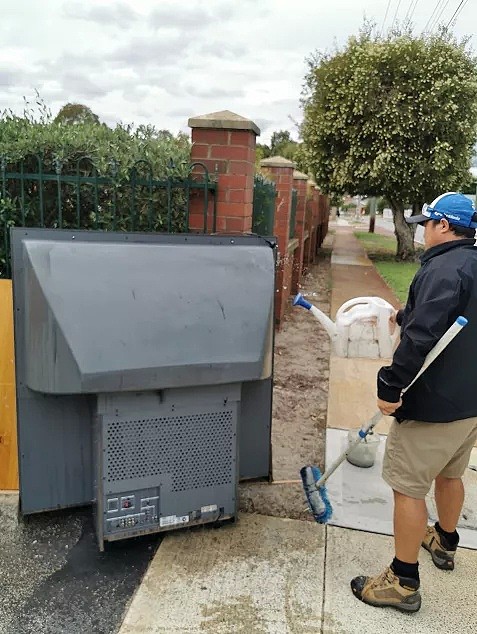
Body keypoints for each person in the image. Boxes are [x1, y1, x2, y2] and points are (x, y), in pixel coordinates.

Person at [351, 192, 477, 613]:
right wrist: (409, 314)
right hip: (469, 404)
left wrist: (389, 388)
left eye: (427, 222)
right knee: (450, 474)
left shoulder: (443, 269)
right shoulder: (471, 264)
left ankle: (402, 582)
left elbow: (422, 340)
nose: (422, 229)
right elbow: (449, 321)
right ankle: (444, 539)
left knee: (407, 488)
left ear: (444, 225)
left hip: (433, 404)